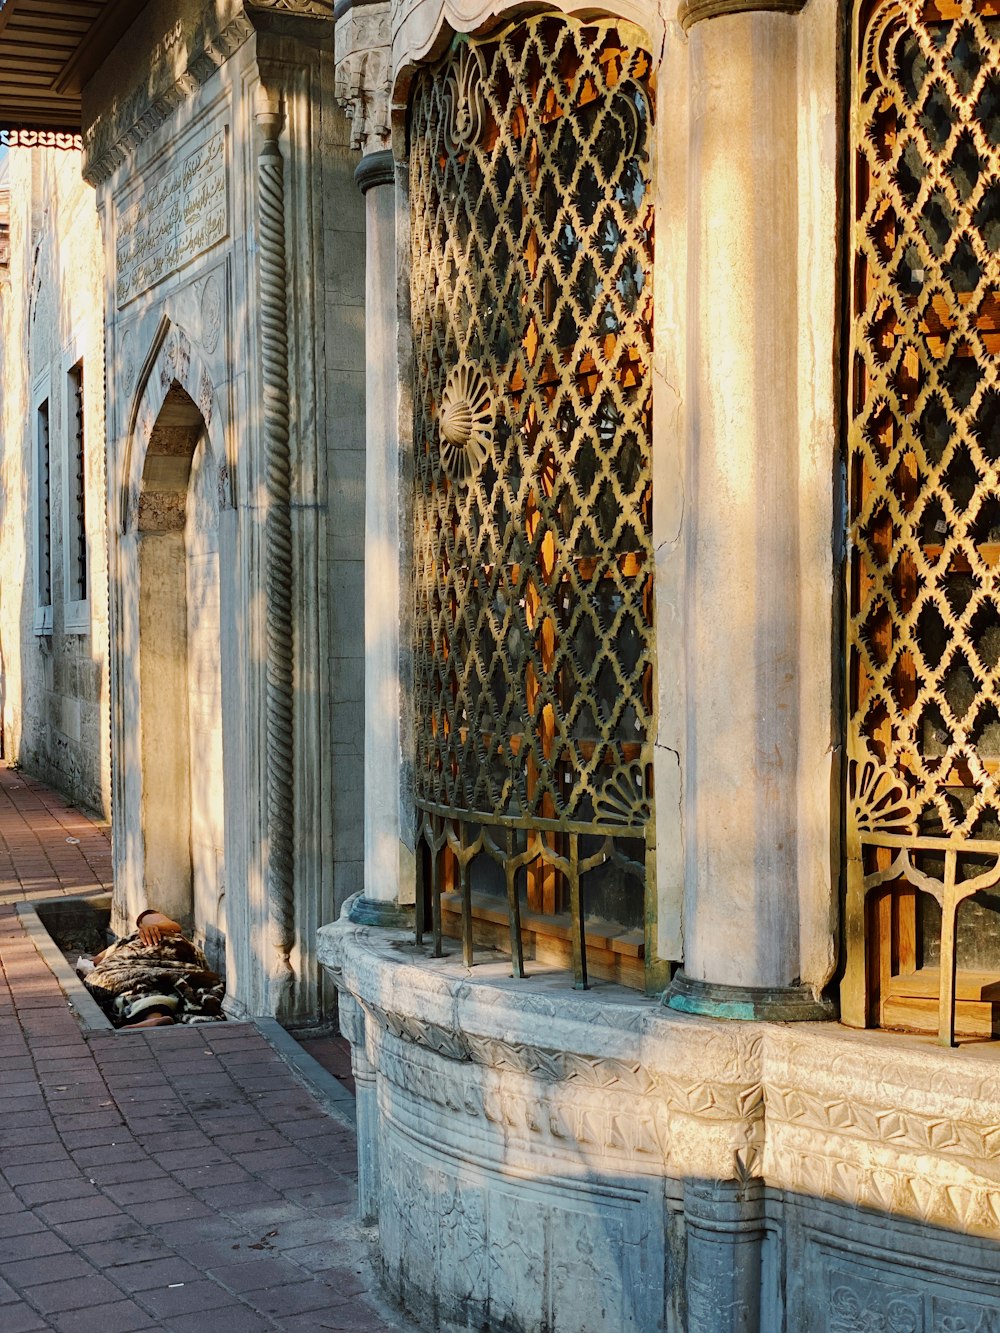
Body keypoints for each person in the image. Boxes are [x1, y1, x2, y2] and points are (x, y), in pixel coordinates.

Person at [76, 909, 226, 1028]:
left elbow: (174, 927)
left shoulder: (147, 927)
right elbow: (98, 960)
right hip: (172, 961)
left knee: (108, 981)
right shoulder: (125, 942)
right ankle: (155, 1017)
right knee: (148, 984)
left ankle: (151, 1016)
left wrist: (151, 926)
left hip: (164, 950)